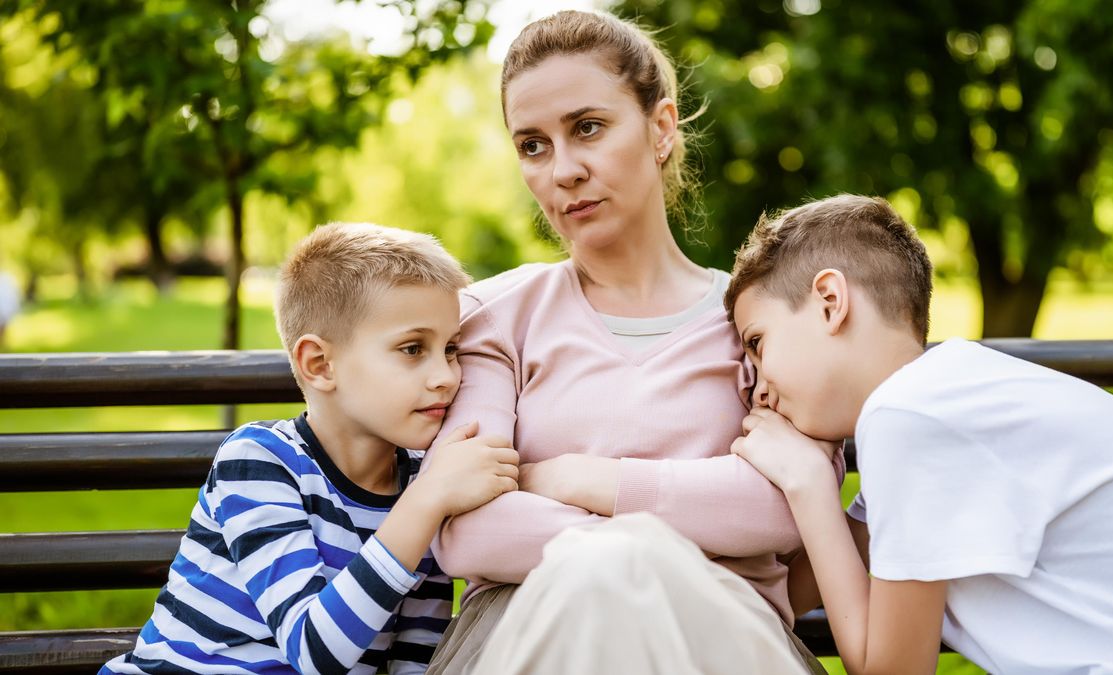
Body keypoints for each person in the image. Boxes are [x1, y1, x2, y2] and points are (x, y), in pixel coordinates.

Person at [423, 10, 827, 675]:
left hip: (720, 638)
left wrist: (585, 479)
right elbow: (468, 529)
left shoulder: (755, 320)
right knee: (603, 573)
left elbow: (783, 508)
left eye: (587, 128)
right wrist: (645, 543)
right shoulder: (497, 316)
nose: (564, 170)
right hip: (525, 635)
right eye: (533, 144)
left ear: (660, 128)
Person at [726, 194, 1113, 674]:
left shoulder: (911, 416)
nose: (758, 389)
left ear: (830, 302)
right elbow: (787, 593)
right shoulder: (938, 400)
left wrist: (809, 485)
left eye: (758, 345)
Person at [101, 223, 520, 675]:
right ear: (320, 365)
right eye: (413, 348)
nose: (446, 376)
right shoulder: (260, 461)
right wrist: (426, 503)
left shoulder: (426, 486)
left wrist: (429, 498)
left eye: (452, 348)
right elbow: (313, 651)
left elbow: (413, 660)